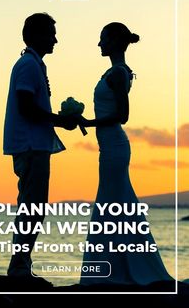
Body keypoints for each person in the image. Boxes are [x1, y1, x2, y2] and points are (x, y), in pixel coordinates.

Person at [78, 22, 173, 286]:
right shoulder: (116, 71)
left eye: (102, 39)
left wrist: (88, 122)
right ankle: (117, 267)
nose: (99, 44)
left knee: (112, 205)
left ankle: (116, 270)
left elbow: (123, 115)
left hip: (115, 147)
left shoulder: (118, 73)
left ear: (113, 42)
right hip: (109, 147)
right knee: (117, 206)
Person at [3, 13, 77, 277]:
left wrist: (59, 120)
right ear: (35, 35)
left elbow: (31, 106)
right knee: (33, 207)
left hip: (34, 145)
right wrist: (60, 120)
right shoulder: (28, 65)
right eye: (50, 34)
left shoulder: (34, 65)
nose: (55, 39)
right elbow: (26, 107)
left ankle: (21, 263)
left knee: (33, 206)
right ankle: (20, 266)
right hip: (31, 146)